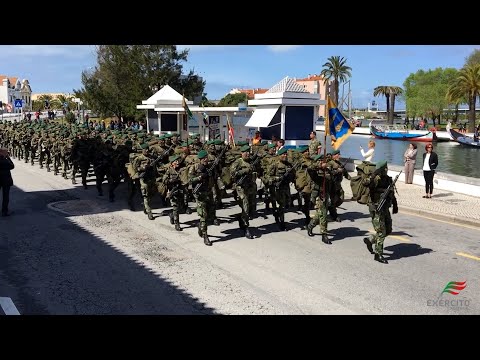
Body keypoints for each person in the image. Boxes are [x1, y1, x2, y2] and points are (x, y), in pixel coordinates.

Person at [362, 160, 398, 264]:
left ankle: (371, 240)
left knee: (388, 230)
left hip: (385, 208)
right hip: (376, 208)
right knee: (381, 232)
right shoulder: (375, 179)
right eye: (385, 168)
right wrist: (374, 174)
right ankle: (378, 254)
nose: (387, 170)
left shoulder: (387, 179)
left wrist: (395, 205)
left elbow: (391, 192)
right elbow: (365, 183)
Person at [0, 148, 14, 216]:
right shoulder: (4, 160)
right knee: (5, 196)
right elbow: (12, 166)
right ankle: (4, 211)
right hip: (5, 180)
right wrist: (8, 157)